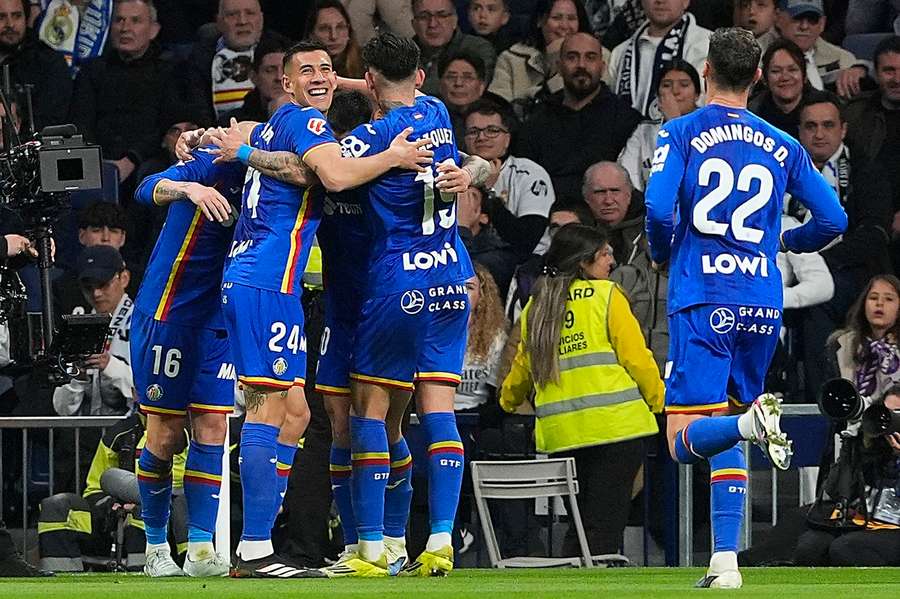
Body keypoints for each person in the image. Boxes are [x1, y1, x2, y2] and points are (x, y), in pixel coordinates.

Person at [206, 38, 437, 578]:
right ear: (285, 83)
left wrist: (351, 83)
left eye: (328, 69)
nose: (319, 77)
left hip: (268, 282)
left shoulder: (274, 126)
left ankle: (267, 530)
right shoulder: (306, 125)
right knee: (266, 406)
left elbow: (295, 166)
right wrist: (397, 156)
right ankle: (256, 548)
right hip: (264, 279)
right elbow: (333, 176)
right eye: (305, 70)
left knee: (298, 412)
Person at [644, 27, 846, 588]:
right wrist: (784, 242)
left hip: (704, 295)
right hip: (762, 301)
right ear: (758, 77)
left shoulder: (680, 132)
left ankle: (750, 424)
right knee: (734, 425)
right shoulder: (783, 144)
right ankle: (725, 562)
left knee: (684, 440)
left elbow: (659, 212)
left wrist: (665, 253)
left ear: (706, 70)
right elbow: (835, 220)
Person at [318, 32, 476, 578]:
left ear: (368, 80)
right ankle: (438, 541)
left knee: (372, 409)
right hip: (453, 276)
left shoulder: (373, 136)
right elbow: (392, 85)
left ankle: (371, 549)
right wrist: (473, 172)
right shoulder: (436, 113)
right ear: (422, 76)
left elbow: (332, 173)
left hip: (397, 280)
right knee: (438, 411)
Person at [500, 224, 662, 556]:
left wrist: (506, 401)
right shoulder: (607, 296)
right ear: (583, 262)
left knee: (582, 524)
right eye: (605, 254)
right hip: (617, 429)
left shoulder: (538, 306)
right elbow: (636, 358)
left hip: (564, 435)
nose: (612, 261)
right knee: (604, 527)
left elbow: (521, 370)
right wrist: (660, 401)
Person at [128, 142, 247, 577]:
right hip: (168, 313)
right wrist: (189, 189)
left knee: (214, 425)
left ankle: (200, 547)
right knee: (164, 434)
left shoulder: (278, 173)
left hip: (218, 318)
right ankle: (156, 547)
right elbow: (145, 188)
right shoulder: (213, 160)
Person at [70, 0, 192, 189]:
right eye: (119, 20)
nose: (125, 28)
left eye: (135, 21)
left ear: (153, 30)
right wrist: (95, 162)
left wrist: (132, 159)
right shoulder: (92, 71)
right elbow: (81, 121)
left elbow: (167, 125)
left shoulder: (172, 70)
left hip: (147, 159)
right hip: (99, 159)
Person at [516, 32, 642, 202]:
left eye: (590, 58)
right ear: (559, 66)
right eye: (572, 57)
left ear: (602, 67)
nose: (581, 65)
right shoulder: (537, 121)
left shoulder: (627, 121)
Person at [463, 98, 555, 258]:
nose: (482, 137)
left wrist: (486, 192)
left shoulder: (530, 173)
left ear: (507, 139)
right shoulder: (454, 173)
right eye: (473, 132)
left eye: (492, 130)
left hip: (524, 267)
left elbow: (525, 242)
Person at [52, 246, 134, 419]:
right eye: (88, 287)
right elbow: (62, 409)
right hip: (87, 436)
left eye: (103, 284)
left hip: (131, 432)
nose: (96, 293)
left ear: (124, 278)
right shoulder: (80, 326)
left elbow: (151, 390)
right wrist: (77, 376)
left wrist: (110, 365)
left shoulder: (143, 324)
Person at [606, 0, 712, 118]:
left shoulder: (709, 45)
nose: (660, 1)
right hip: (630, 134)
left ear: (686, 2)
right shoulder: (620, 52)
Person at [487, 0, 593, 113]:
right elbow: (496, 111)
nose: (564, 26)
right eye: (557, 18)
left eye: (571, 19)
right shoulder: (510, 59)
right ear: (540, 21)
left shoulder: (598, 57)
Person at [618, 59, 701, 192]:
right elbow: (627, 176)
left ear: (697, 94)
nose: (675, 91)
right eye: (667, 85)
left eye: (684, 85)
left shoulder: (713, 127)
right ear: (657, 95)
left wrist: (674, 122)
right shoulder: (643, 131)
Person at [758, 0, 868, 99]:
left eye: (812, 20)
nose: (804, 26)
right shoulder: (755, 55)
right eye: (797, 18)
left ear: (822, 24)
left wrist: (862, 69)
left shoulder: (842, 58)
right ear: (777, 17)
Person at [0, 0, 71, 132]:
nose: (10, 24)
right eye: (1, 17)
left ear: (26, 18)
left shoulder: (50, 63)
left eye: (17, 16)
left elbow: (50, 125)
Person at [411, 0, 496, 96]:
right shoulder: (400, 54)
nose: (432, 24)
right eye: (424, 17)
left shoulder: (478, 48)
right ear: (414, 24)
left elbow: (472, 90)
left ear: (455, 20)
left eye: (442, 16)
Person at [581, 161, 643, 266]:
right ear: (586, 197)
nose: (608, 201)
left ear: (629, 195)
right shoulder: (577, 232)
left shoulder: (652, 232)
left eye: (615, 191)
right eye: (600, 192)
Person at [749, 38, 810, 139]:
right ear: (765, 78)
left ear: (804, 76)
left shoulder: (825, 108)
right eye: (776, 71)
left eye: (792, 70)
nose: (785, 77)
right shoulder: (751, 114)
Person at [306, 0, 365, 79]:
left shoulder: (367, 63)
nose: (333, 36)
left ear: (349, 31)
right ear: (311, 34)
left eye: (340, 27)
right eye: (324, 28)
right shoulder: (298, 65)